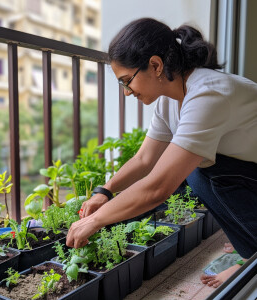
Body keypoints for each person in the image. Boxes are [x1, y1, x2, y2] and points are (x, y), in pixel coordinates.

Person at [66, 18, 257, 287]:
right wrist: (105, 191)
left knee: (201, 173)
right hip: (248, 171)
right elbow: (145, 159)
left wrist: (96, 220)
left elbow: (158, 187)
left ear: (155, 65)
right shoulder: (170, 100)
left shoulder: (208, 94)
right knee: (197, 172)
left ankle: (251, 261)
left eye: (126, 81)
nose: (126, 92)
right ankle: (249, 256)